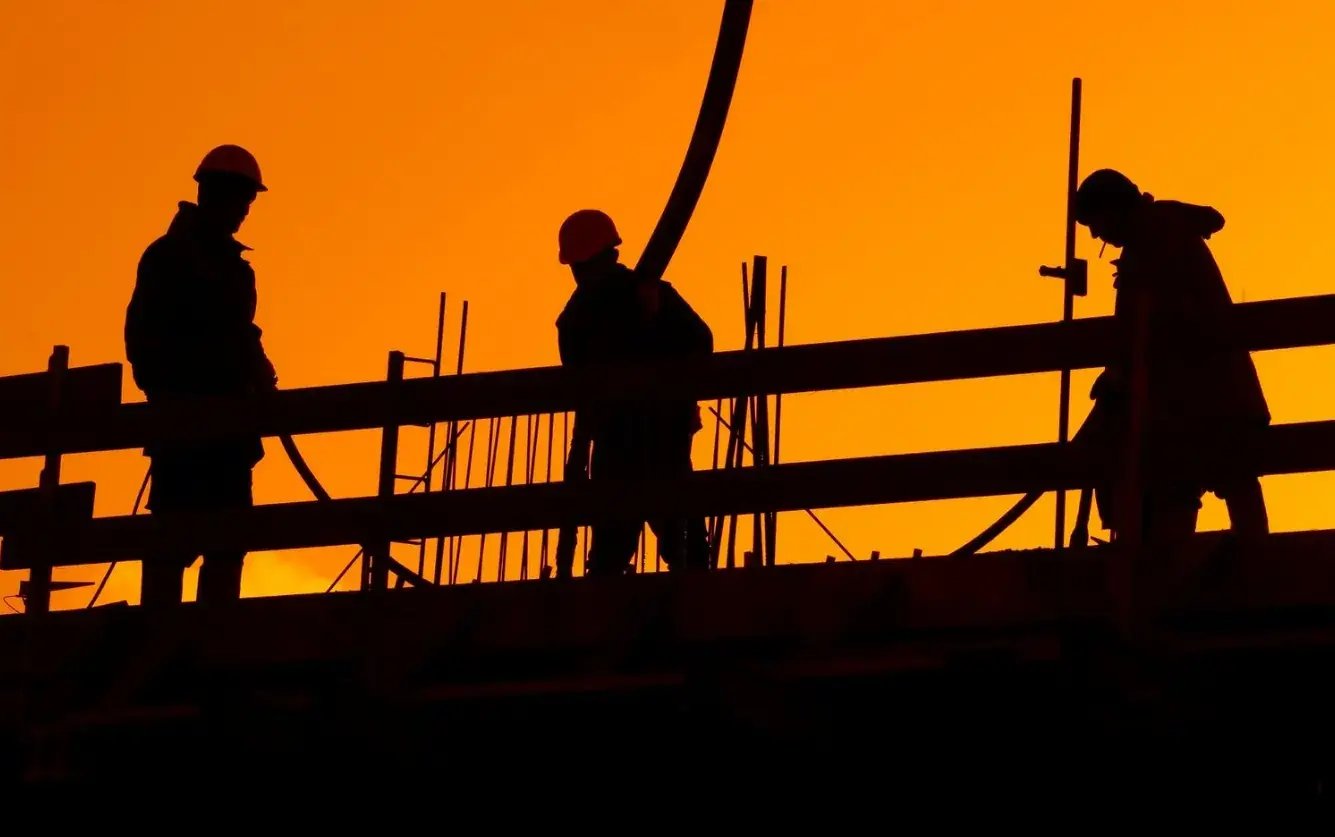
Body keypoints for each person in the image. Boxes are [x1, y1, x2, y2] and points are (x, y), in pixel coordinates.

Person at [1074, 168, 1270, 551]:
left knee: (1191, 480)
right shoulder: (1161, 232)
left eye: (1095, 222)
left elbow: (1151, 321)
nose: (1096, 235)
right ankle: (1248, 564)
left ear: (1113, 208)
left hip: (1200, 394)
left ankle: (1237, 568)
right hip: (1199, 392)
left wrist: (1122, 372)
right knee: (1210, 479)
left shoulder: (1154, 239)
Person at [124, 144, 278, 605]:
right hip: (184, 434)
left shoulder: (235, 271)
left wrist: (258, 370)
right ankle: (165, 637)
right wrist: (180, 400)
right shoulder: (168, 260)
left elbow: (239, 334)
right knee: (172, 545)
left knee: (227, 544)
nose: (243, 212)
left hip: (229, 440)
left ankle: (216, 638)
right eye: (238, 200)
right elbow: (144, 344)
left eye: (248, 203)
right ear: (211, 194)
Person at [554, 209, 713, 577]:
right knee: (680, 547)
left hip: (637, 441)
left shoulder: (583, 314)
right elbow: (701, 342)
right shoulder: (624, 301)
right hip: (654, 439)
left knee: (631, 548)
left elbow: (700, 343)